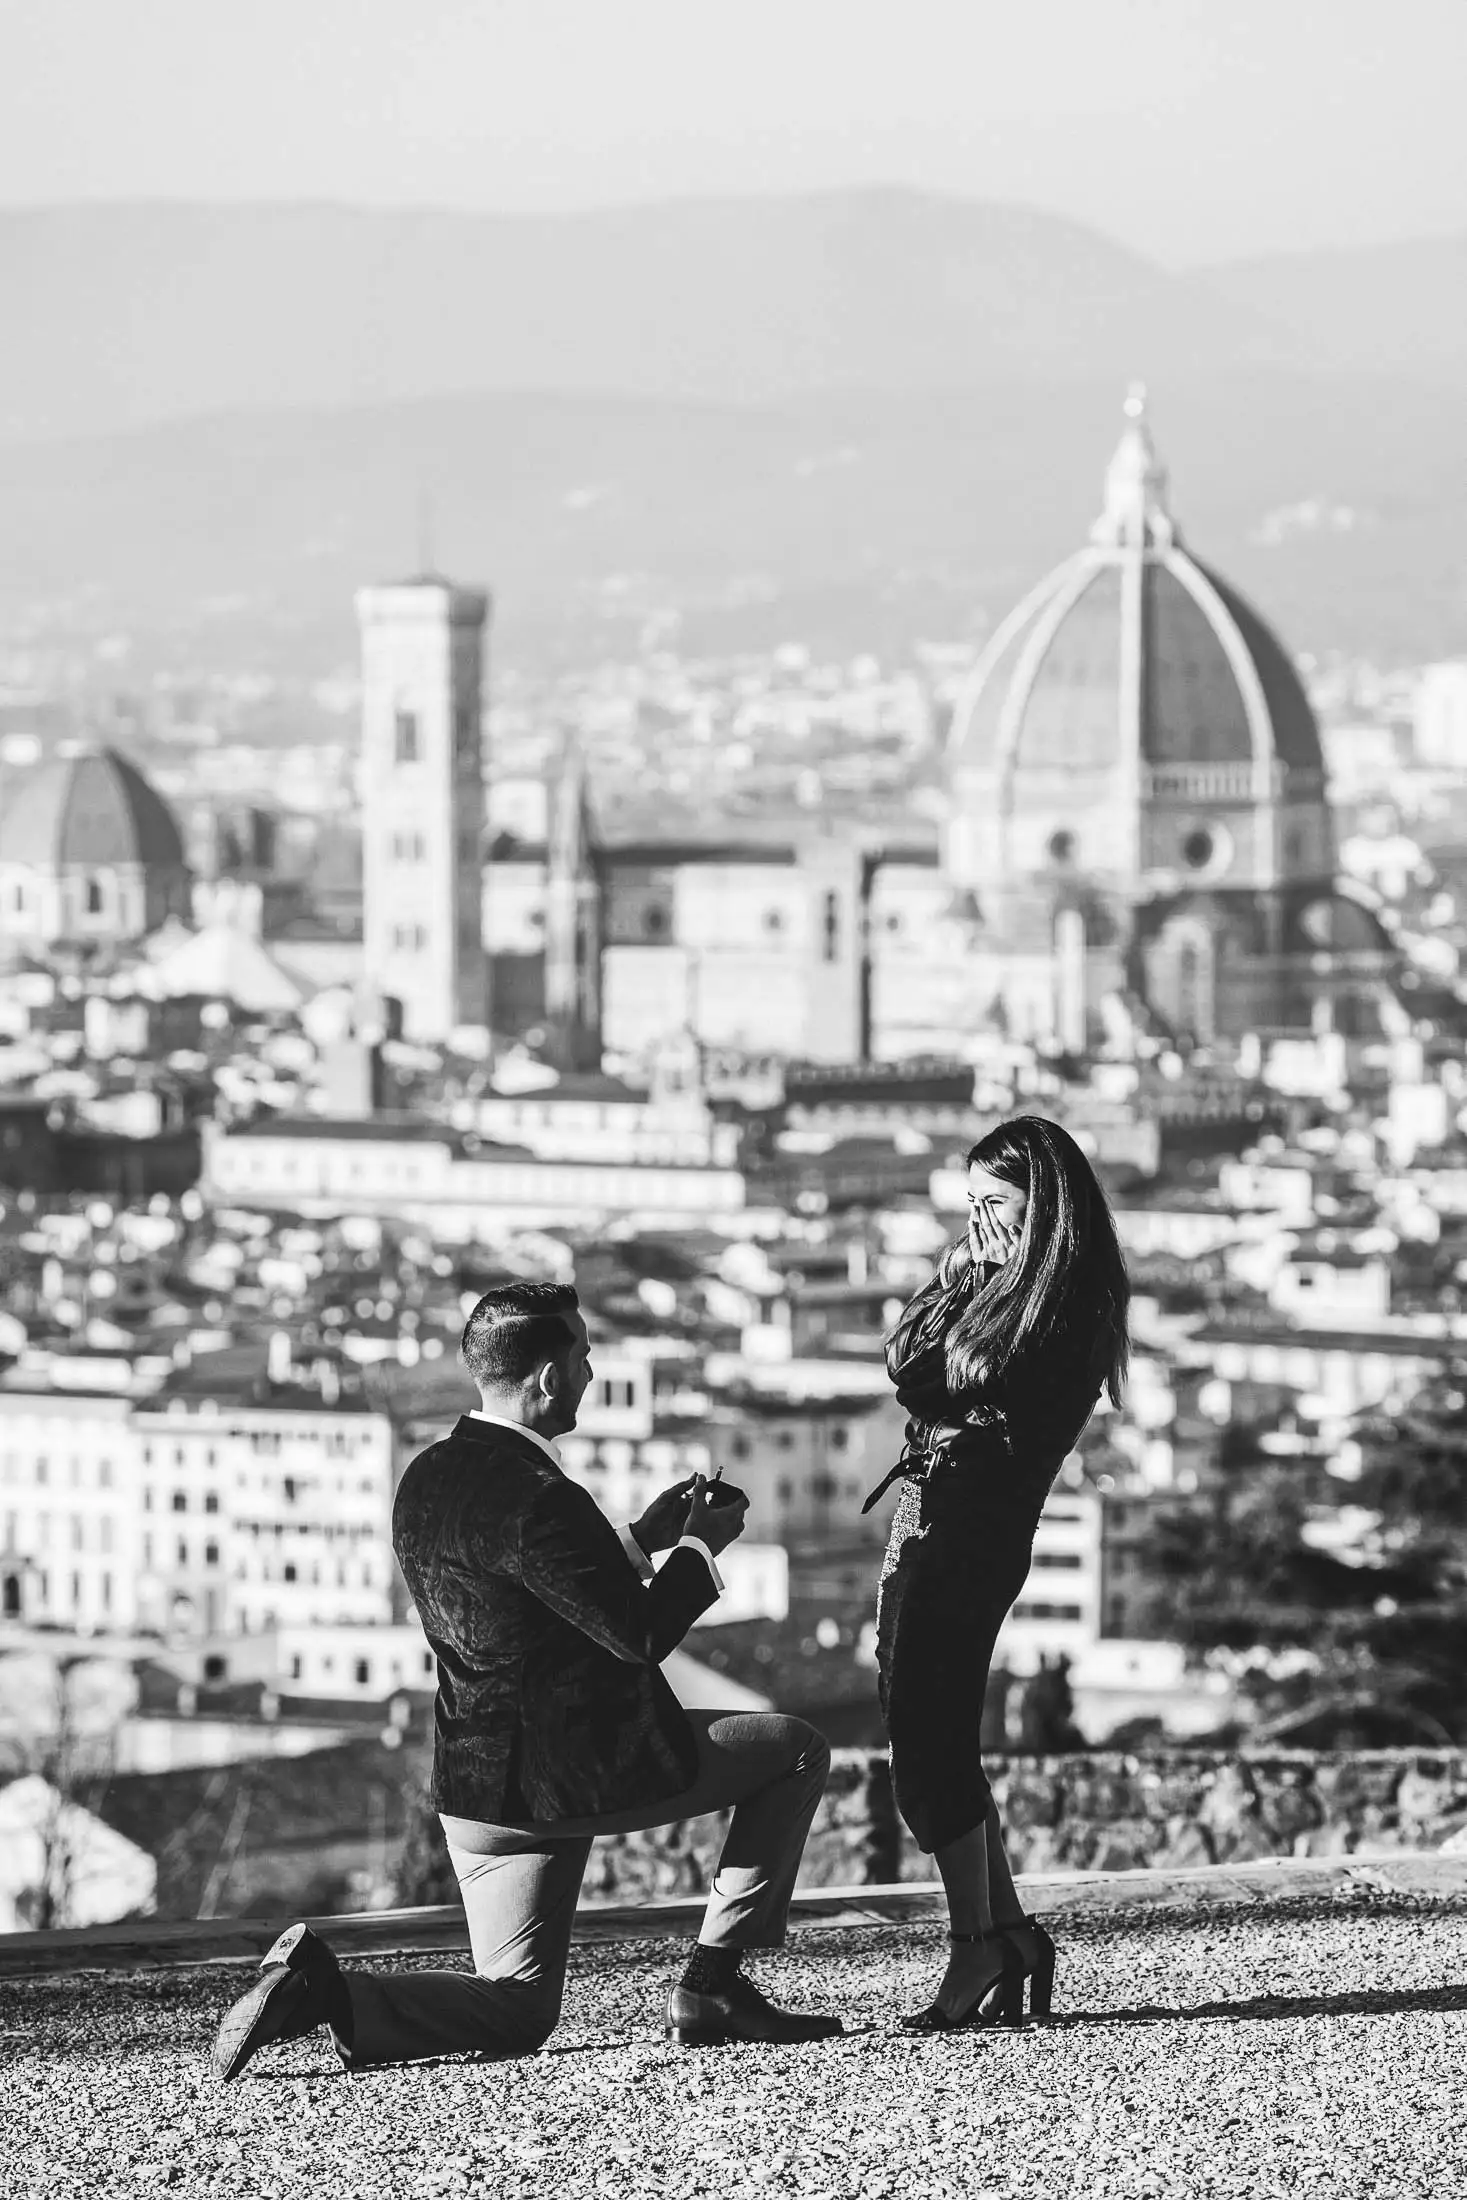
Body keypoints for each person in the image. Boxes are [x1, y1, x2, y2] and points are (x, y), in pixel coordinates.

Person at [214, 1280, 842, 2080]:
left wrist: (640, 1539)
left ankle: (322, 1994)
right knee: (793, 1749)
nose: (589, 1374)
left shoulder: (426, 1476)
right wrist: (697, 1547)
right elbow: (639, 1636)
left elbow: (520, 1588)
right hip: (573, 1777)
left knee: (516, 2009)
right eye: (584, 1358)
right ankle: (712, 1984)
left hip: (476, 1794)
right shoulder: (543, 1495)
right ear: (548, 1377)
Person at [863, 1116, 1130, 2033]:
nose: (978, 1222)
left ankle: (977, 1941)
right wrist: (968, 1277)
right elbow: (913, 1367)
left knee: (923, 1745)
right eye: (969, 1202)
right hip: (928, 1520)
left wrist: (969, 1281)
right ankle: (1003, 1931)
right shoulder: (1015, 1288)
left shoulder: (1063, 1305)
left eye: (995, 1203)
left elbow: (928, 1379)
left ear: (1042, 1206)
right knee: (929, 1727)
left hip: (967, 1537)